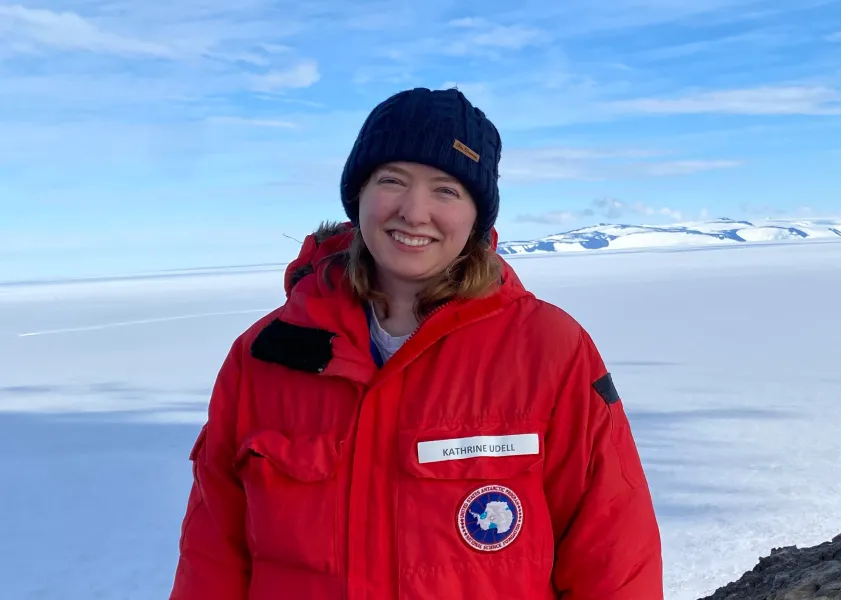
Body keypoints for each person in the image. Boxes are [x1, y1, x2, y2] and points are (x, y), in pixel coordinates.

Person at [169, 87, 663, 600]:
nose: (413, 211)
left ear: (477, 217)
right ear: (358, 195)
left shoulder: (549, 350)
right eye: (392, 181)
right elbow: (212, 556)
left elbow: (614, 554)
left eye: (445, 190)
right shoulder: (265, 355)